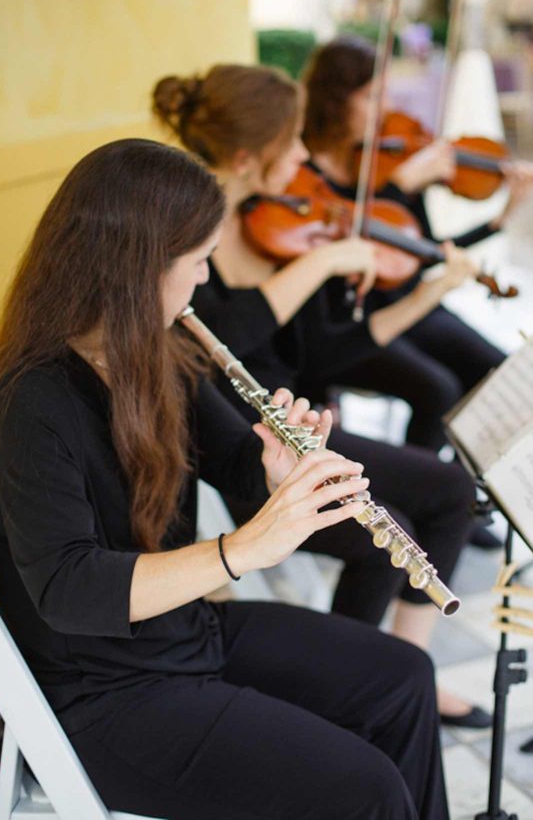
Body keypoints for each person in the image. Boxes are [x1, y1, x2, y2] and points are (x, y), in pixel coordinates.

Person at [0, 138, 451, 820]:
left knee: (405, 678)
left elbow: (234, 465)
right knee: (368, 789)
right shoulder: (31, 400)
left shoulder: (157, 357)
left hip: (182, 635)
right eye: (198, 261)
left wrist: (275, 471)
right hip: (107, 697)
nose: (204, 280)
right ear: (139, 268)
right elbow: (68, 589)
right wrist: (241, 550)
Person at [152, 66, 491, 728]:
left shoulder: (276, 226)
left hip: (285, 422)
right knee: (377, 534)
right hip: (232, 441)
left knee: (447, 491)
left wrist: (424, 293)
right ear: (250, 159)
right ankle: (356, 690)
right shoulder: (187, 239)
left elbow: (325, 353)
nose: (309, 158)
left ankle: (400, 668)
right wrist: (322, 264)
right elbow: (209, 341)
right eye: (295, 145)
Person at [301, 35, 533, 453]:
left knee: (499, 372)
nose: (387, 109)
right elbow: (363, 247)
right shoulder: (304, 174)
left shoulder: (384, 161)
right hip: (361, 318)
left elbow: (419, 250)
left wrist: (499, 220)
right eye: (372, 96)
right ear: (335, 99)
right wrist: (400, 185)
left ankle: (468, 490)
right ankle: (428, 493)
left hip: (410, 303)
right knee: (439, 390)